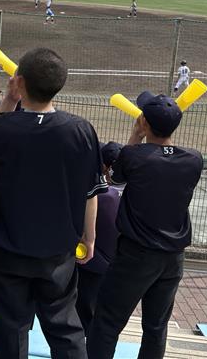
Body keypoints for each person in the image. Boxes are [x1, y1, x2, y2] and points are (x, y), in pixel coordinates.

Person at [0, 47, 107, 359]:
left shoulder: (1, 128)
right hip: (58, 252)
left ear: (20, 82)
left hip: (6, 250)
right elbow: (90, 192)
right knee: (65, 329)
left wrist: (9, 99)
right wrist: (90, 237)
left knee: (11, 330)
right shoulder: (80, 130)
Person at [87, 91, 203, 359]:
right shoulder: (193, 159)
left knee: (107, 322)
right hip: (173, 257)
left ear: (144, 122)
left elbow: (114, 178)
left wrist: (135, 136)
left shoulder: (135, 156)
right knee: (156, 327)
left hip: (136, 254)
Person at [75, 141, 123, 336]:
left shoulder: (99, 196)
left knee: (82, 316)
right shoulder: (118, 194)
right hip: (111, 265)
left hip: (89, 264)